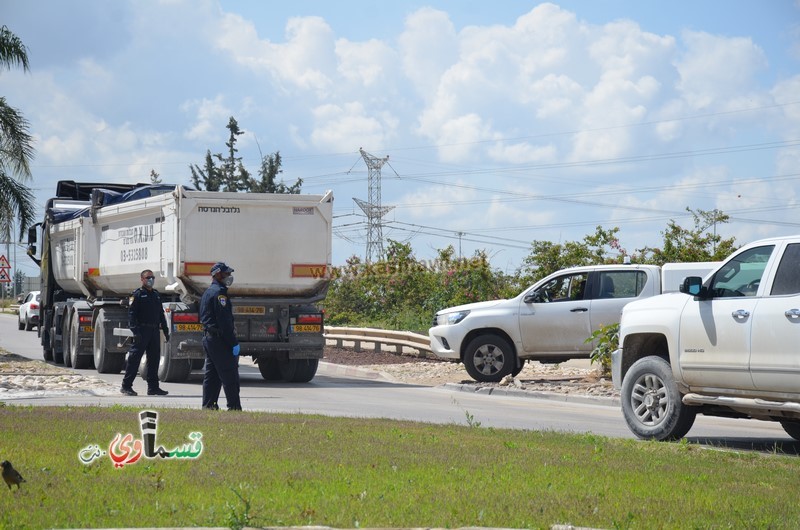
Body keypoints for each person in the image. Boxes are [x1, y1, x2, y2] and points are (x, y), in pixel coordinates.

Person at [120, 269, 170, 396]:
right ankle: (126, 386)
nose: (151, 280)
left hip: (154, 331)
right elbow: (131, 315)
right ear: (142, 279)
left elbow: (160, 314)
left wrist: (165, 329)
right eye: (148, 278)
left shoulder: (156, 295)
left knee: (154, 360)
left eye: (152, 277)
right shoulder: (137, 295)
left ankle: (153, 387)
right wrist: (135, 331)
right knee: (134, 359)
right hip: (142, 331)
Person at [200, 262, 241, 410]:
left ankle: (209, 405)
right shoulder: (219, 294)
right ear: (217, 274)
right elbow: (224, 323)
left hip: (210, 338)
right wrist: (233, 342)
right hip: (219, 339)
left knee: (212, 376)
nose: (229, 277)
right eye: (226, 274)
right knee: (230, 375)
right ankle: (234, 407)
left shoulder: (209, 292)